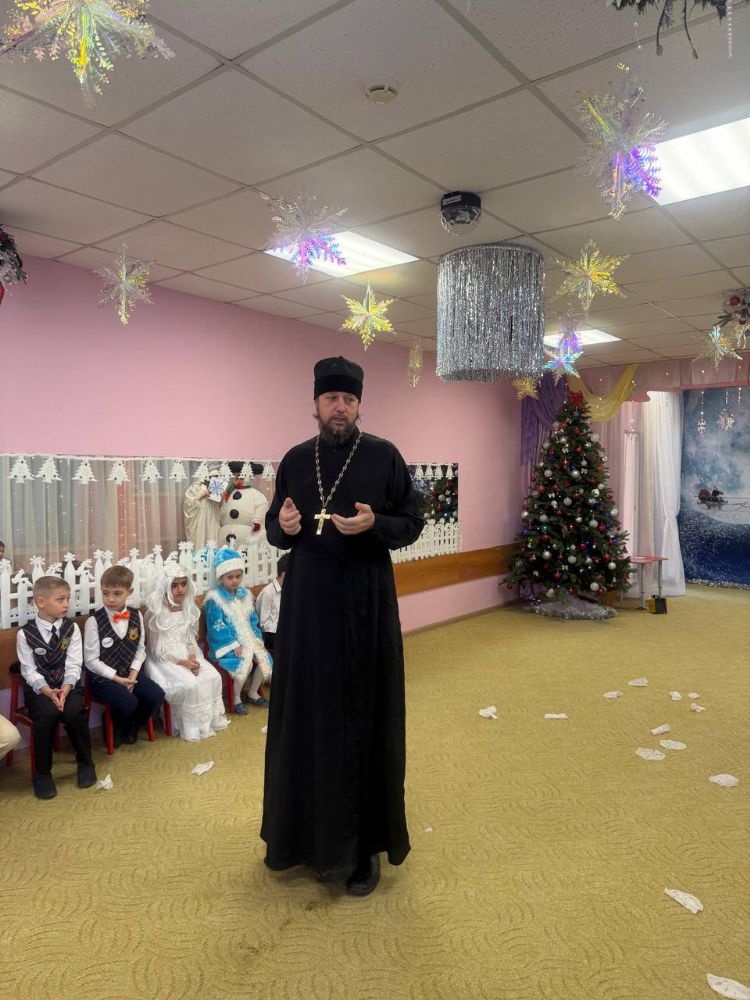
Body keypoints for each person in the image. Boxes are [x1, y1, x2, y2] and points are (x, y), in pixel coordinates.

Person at [261, 356, 423, 896]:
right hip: (307, 603)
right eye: (331, 398)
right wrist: (282, 527)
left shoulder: (383, 455)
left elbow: (412, 522)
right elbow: (275, 527)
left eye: (349, 400)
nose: (340, 407)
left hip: (363, 600)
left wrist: (377, 523)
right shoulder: (293, 459)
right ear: (315, 403)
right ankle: (300, 839)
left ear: (358, 406)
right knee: (307, 716)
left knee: (361, 716)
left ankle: (362, 849)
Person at [16, 576, 97, 799]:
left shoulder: (72, 628)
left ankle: (86, 763)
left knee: (73, 712)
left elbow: (74, 663)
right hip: (40, 690)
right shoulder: (25, 634)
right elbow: (29, 670)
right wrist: (48, 691)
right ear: (41, 602)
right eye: (61, 599)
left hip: (67, 685)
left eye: (68, 599)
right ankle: (42, 774)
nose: (66, 604)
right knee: (46, 715)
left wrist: (66, 688)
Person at [144, 564, 229, 742]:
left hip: (188, 654)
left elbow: (190, 639)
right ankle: (188, 727)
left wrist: (192, 658)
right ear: (165, 586)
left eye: (183, 584)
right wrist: (183, 663)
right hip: (165, 660)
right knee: (190, 684)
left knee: (213, 676)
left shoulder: (188, 608)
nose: (180, 589)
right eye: (174, 585)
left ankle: (205, 724)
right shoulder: (156, 612)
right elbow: (157, 650)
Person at [83, 565, 165, 746]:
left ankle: (132, 726)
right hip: (104, 679)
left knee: (156, 695)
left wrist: (133, 674)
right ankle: (116, 726)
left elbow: (140, 649)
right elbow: (90, 661)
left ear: (130, 592)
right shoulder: (94, 621)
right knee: (128, 702)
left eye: (117, 593)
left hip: (130, 672)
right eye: (105, 593)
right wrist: (117, 679)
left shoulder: (136, 615)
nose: (110, 599)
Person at [204, 546, 273, 713]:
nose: (235, 581)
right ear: (221, 577)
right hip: (228, 644)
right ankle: (236, 698)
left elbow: (253, 621)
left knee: (265, 659)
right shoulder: (215, 600)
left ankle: (252, 692)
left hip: (249, 639)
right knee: (244, 664)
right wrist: (233, 644)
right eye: (230, 577)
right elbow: (216, 626)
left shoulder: (245, 596)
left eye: (238, 576)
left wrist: (257, 640)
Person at [254, 553, 289, 651]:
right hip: (271, 634)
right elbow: (264, 624)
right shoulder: (268, 592)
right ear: (284, 575)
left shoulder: (290, 590)